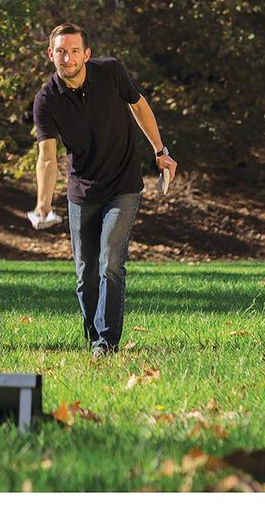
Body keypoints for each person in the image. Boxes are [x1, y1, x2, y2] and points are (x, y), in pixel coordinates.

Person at [32, 23, 177, 359]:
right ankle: (93, 336)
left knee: (110, 260)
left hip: (123, 185)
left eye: (74, 51)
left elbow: (139, 106)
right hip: (82, 191)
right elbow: (47, 157)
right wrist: (43, 202)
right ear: (50, 54)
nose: (67, 58)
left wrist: (160, 150)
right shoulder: (46, 100)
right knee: (86, 274)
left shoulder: (111, 72)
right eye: (60, 51)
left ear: (87, 54)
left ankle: (106, 342)